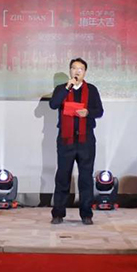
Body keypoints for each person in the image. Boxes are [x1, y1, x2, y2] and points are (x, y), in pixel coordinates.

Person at [48, 58, 104, 225]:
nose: (77, 71)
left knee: (85, 178)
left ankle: (86, 214)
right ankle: (58, 213)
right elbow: (53, 104)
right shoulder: (62, 88)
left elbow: (99, 111)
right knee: (62, 177)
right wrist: (67, 88)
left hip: (86, 140)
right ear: (70, 71)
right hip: (66, 140)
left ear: (85, 72)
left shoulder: (91, 90)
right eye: (74, 68)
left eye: (80, 69)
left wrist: (88, 112)